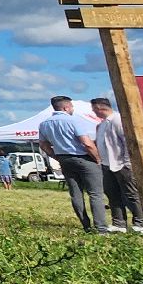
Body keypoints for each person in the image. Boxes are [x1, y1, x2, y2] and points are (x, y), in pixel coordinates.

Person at [38, 95, 108, 234]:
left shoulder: (44, 124)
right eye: (71, 106)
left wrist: (56, 156)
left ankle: (86, 226)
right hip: (83, 158)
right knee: (95, 194)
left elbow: (43, 145)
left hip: (64, 158)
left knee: (76, 194)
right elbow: (87, 143)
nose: (73, 109)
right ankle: (101, 228)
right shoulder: (74, 121)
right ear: (66, 107)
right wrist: (98, 159)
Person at [91, 98, 143, 234]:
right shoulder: (102, 125)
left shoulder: (118, 120)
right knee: (112, 194)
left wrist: (128, 162)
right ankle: (119, 223)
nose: (93, 112)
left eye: (94, 109)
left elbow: (127, 142)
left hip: (121, 164)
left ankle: (140, 222)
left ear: (99, 108)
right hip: (106, 164)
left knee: (131, 194)